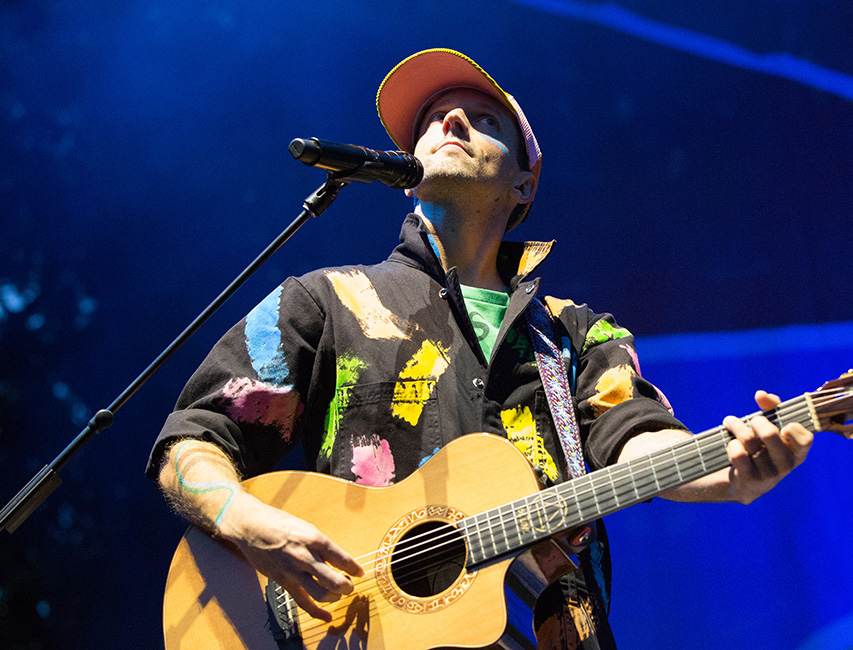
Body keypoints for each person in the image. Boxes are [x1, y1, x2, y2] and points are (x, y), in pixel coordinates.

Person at [147, 48, 813, 649]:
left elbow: (632, 439)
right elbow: (194, 442)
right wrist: (246, 521)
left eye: (483, 119)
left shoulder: (576, 331)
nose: (452, 125)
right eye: (434, 119)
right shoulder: (324, 301)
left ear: (524, 186)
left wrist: (729, 469)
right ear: (408, 178)